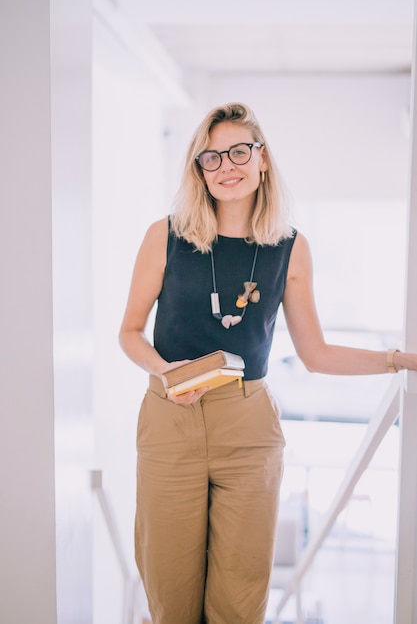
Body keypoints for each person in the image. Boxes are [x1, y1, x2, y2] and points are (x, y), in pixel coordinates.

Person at [119, 101, 417, 624]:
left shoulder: (289, 248)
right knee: (170, 597)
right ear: (198, 170)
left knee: (240, 601)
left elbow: (316, 354)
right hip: (170, 419)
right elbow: (129, 333)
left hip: (248, 425)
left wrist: (398, 359)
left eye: (238, 151)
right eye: (210, 158)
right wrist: (164, 371)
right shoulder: (164, 236)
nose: (225, 166)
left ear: (262, 161)